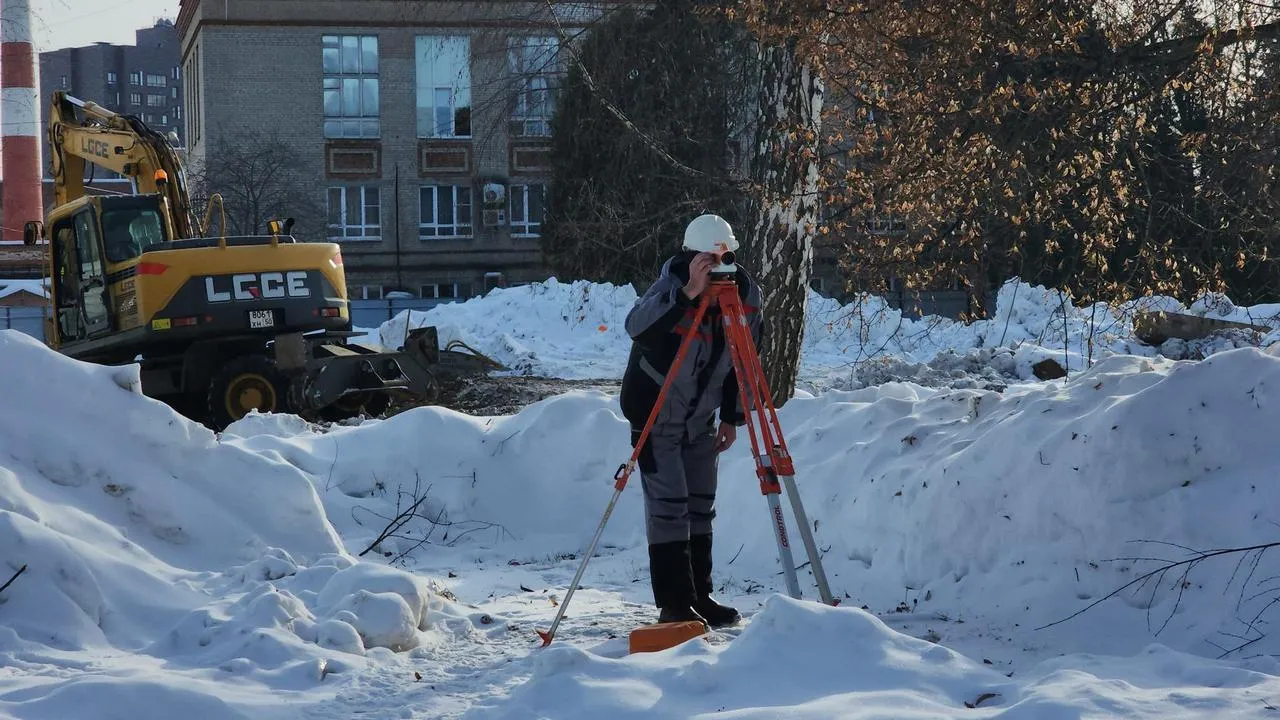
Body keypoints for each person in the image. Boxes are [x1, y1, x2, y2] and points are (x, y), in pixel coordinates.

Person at [619, 213, 763, 628]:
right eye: (707, 257)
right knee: (668, 509)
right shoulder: (671, 286)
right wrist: (688, 293)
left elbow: (745, 362)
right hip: (656, 417)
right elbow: (637, 327)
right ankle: (675, 605)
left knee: (700, 508)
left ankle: (701, 597)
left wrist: (733, 417)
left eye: (723, 256)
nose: (717, 265)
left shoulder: (745, 296)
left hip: (701, 420)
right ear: (691, 255)